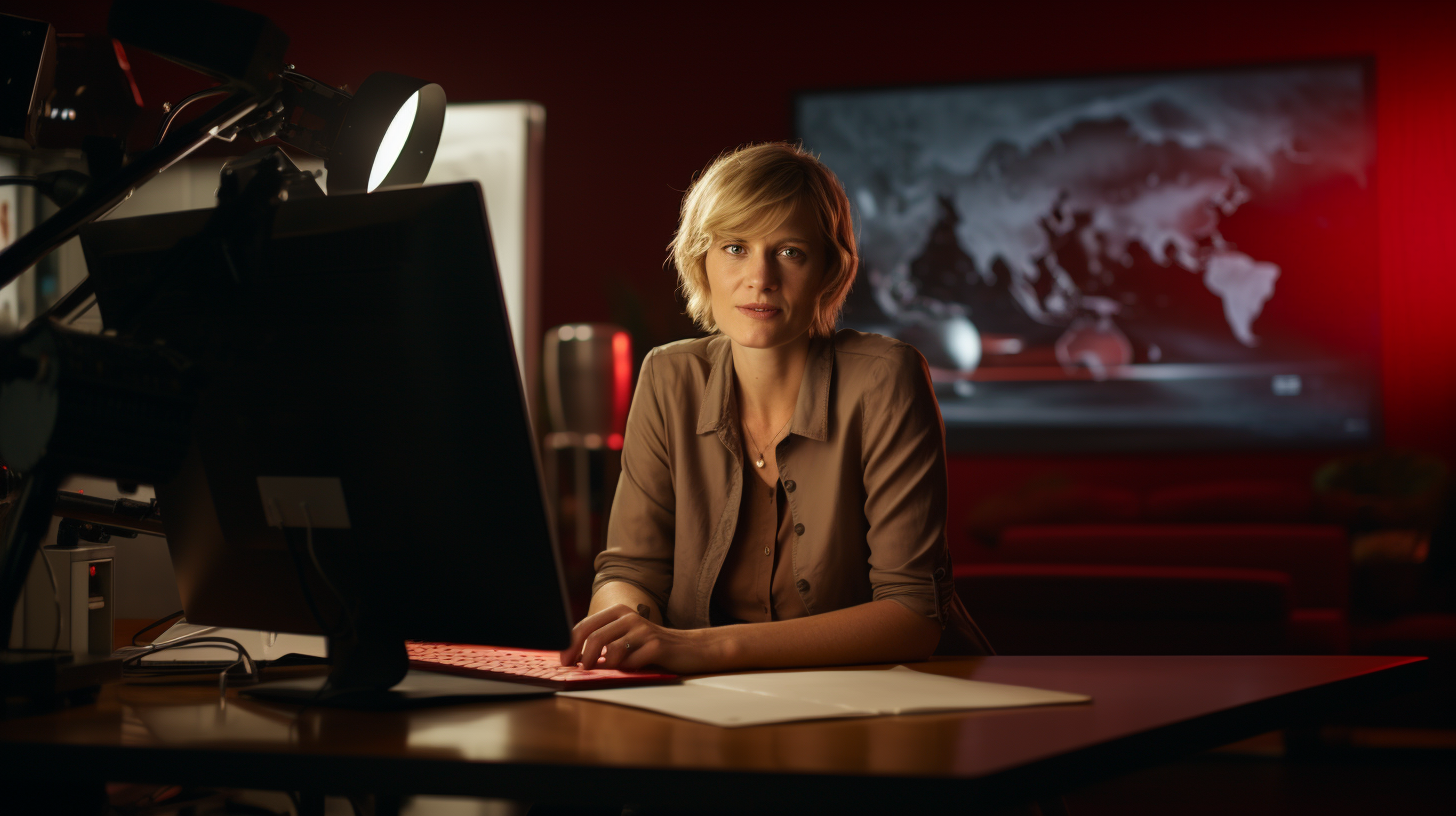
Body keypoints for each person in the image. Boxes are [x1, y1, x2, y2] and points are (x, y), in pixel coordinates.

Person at [560, 143, 991, 675]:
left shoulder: (885, 377)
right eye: (735, 248)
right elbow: (632, 569)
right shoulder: (668, 376)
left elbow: (910, 616)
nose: (759, 278)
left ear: (829, 271)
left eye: (790, 252)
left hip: (892, 706)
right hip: (707, 707)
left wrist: (700, 649)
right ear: (702, 260)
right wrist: (624, 625)